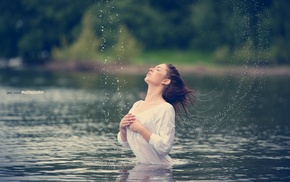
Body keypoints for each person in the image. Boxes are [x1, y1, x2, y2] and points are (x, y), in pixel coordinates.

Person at [117, 63, 195, 165]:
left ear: (166, 81)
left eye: (158, 69)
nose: (151, 69)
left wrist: (141, 129)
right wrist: (122, 128)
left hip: (161, 171)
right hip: (143, 171)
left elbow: (164, 147)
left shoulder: (165, 108)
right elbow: (125, 143)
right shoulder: (137, 105)